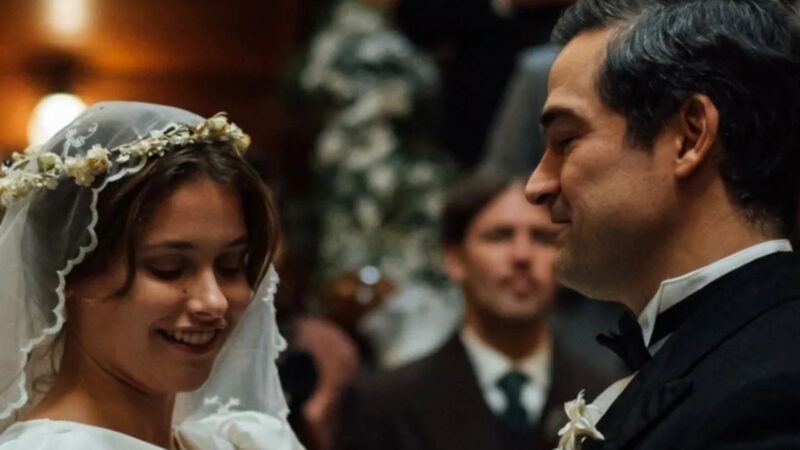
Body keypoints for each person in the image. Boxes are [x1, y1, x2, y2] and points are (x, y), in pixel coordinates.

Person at [526, 0, 800, 449]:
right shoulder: (722, 355)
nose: (536, 186)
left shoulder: (773, 389)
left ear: (690, 137)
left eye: (566, 140)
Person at [0, 102, 304, 449]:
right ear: (68, 274)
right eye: (169, 268)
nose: (214, 301)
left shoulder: (245, 441)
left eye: (230, 265)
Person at [335, 170, 615, 450]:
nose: (522, 255)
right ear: (455, 259)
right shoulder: (383, 403)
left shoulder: (609, 398)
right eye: (500, 236)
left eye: (541, 238)